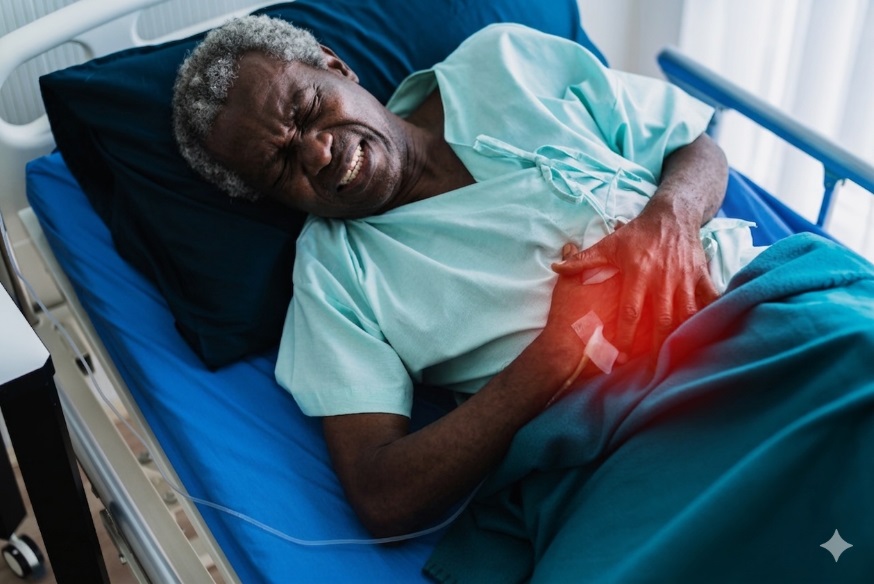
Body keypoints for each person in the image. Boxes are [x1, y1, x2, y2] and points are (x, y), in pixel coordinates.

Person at [172, 15, 764, 537]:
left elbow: (695, 148)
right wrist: (555, 354)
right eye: (280, 166)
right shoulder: (336, 277)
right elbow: (381, 494)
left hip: (761, 303)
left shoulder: (504, 60)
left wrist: (670, 219)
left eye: (306, 111)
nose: (318, 154)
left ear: (336, 66)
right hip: (642, 432)